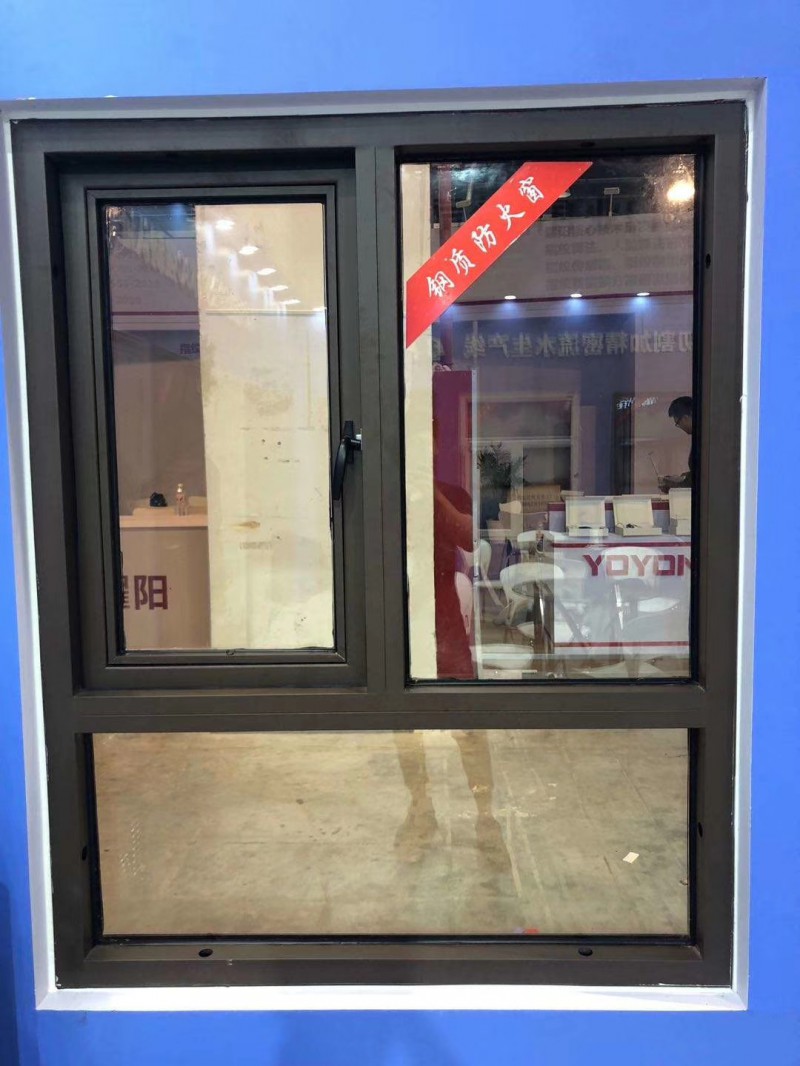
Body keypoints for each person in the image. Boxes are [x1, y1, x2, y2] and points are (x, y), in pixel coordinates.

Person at [658, 395, 693, 490]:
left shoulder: (705, 440)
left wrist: (673, 484)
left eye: (678, 423)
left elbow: (701, 478)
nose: (679, 427)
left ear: (685, 418)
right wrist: (681, 478)